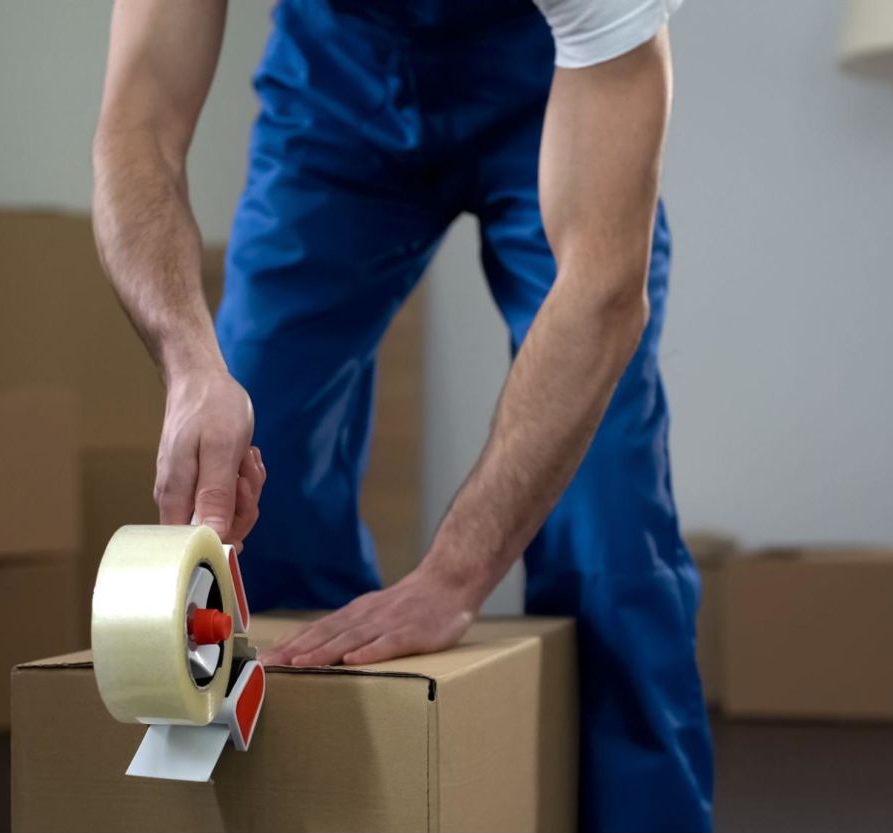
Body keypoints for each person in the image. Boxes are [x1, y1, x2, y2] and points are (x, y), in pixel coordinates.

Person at [92, 1, 710, 829]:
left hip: (549, 87)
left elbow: (601, 293)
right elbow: (137, 129)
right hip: (335, 89)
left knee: (606, 513)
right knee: (251, 483)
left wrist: (453, 576)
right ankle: (329, 798)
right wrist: (189, 363)